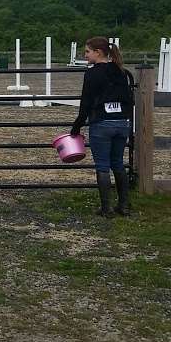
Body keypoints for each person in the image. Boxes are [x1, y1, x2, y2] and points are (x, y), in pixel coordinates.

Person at [70, 37, 134, 217]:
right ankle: (123, 205)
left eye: (87, 51)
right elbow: (128, 99)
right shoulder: (121, 71)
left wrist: (77, 126)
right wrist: (125, 118)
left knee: (103, 166)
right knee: (118, 164)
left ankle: (106, 208)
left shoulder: (92, 73)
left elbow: (86, 103)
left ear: (98, 53)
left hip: (101, 123)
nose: (85, 55)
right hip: (121, 123)